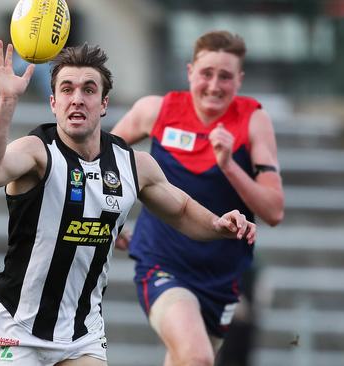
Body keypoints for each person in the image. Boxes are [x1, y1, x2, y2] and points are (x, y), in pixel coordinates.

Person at [0, 40, 256, 366]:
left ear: (104, 103)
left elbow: (183, 210)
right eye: (67, 89)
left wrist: (220, 224)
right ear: (53, 102)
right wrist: (7, 100)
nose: (77, 98)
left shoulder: (133, 165)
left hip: (81, 333)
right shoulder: (37, 152)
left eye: (88, 89)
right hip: (17, 329)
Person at [110, 30, 285, 366]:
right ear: (190, 71)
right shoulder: (156, 111)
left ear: (240, 79)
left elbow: (273, 210)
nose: (214, 85)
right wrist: (109, 221)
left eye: (225, 76)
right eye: (206, 74)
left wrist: (229, 165)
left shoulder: (253, 121)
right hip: (162, 264)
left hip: (223, 279)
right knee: (197, 358)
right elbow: (97, 162)